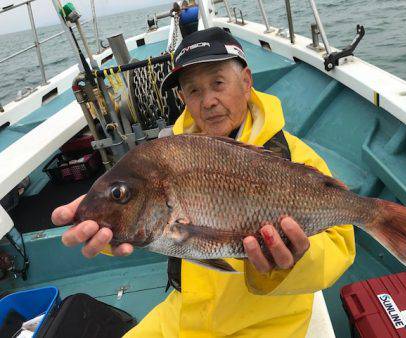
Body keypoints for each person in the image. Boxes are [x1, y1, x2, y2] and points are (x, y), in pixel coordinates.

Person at [52, 27, 355, 337]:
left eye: (218, 83)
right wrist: (104, 222)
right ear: (182, 97)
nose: (208, 100)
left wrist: (292, 262)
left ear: (246, 81)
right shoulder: (170, 154)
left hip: (267, 325)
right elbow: (152, 223)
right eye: (193, 90)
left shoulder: (296, 158)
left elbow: (340, 245)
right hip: (185, 317)